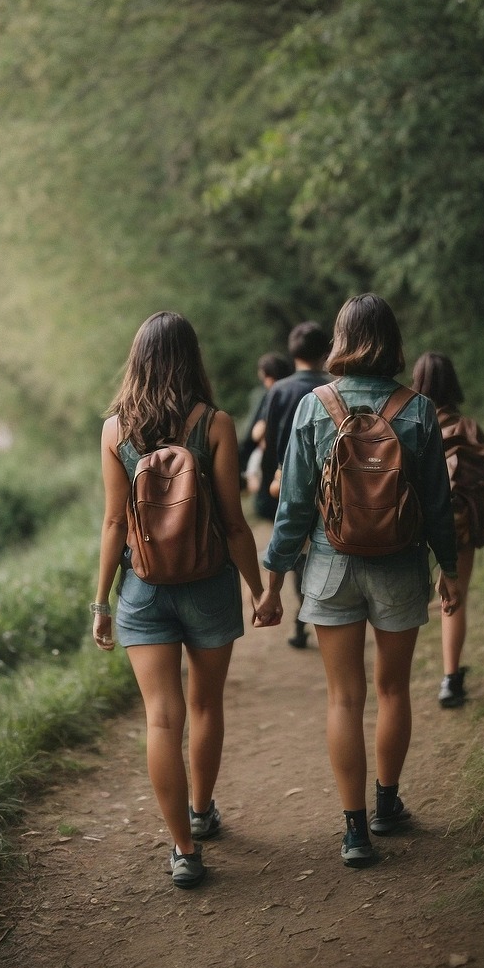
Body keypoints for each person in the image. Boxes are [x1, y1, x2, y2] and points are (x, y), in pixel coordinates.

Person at [256, 295, 460, 868]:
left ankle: (353, 834)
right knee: (393, 690)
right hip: (399, 565)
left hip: (329, 566)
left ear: (340, 341)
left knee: (345, 697)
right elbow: (439, 507)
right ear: (393, 341)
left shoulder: (314, 407)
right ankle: (386, 805)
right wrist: (450, 570)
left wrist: (273, 581)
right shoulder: (417, 409)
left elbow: (293, 508)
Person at [91, 312, 281, 890]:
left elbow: (113, 522)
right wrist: (260, 587)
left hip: (143, 590)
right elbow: (233, 523)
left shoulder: (114, 430)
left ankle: (183, 849)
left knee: (161, 718)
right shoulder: (215, 424)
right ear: (191, 358)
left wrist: (101, 602)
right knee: (205, 706)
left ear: (137, 360)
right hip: (208, 586)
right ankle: (202, 808)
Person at [411, 351, 484, 708]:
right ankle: (450, 679)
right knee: (455, 597)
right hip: (460, 522)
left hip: (414, 527)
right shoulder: (469, 428)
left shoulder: (410, 424)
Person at [259, 321, 332, 649]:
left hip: (288, 481)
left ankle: (302, 616)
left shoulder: (279, 390)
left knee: (295, 546)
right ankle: (316, 613)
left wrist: (269, 478)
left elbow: (272, 441)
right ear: (324, 351)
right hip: (331, 484)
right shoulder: (333, 388)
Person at [238, 352, 292, 513]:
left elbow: (255, 433)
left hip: (271, 458)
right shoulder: (300, 391)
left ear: (268, 376)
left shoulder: (269, 395)